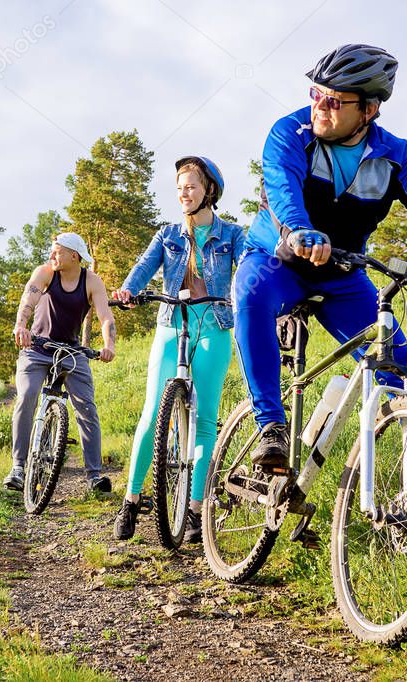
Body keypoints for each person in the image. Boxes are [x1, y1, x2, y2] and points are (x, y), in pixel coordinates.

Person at [235, 44, 407, 500]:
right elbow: (281, 190)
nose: (320, 105)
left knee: (400, 366)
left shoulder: (396, 156)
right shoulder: (289, 132)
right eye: (316, 93)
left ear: (370, 110)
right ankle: (270, 426)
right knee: (249, 295)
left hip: (341, 273)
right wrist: (300, 230)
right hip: (278, 257)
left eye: (335, 100)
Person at [111, 156, 245, 542]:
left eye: (190, 186)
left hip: (214, 325)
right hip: (173, 323)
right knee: (152, 413)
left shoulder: (232, 235)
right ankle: (132, 499)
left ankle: (195, 510)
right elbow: (142, 267)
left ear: (209, 191)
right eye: (180, 188)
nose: (184, 194)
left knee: (205, 419)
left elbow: (251, 266)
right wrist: (129, 290)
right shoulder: (167, 234)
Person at [3, 232, 117, 494]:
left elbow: (105, 317)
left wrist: (109, 345)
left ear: (73, 256)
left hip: (71, 352)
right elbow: (28, 299)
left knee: (86, 407)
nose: (52, 255)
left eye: (57, 251)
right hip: (37, 348)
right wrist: (21, 326)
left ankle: (94, 475)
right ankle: (18, 467)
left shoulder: (91, 281)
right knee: (28, 394)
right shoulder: (46, 272)